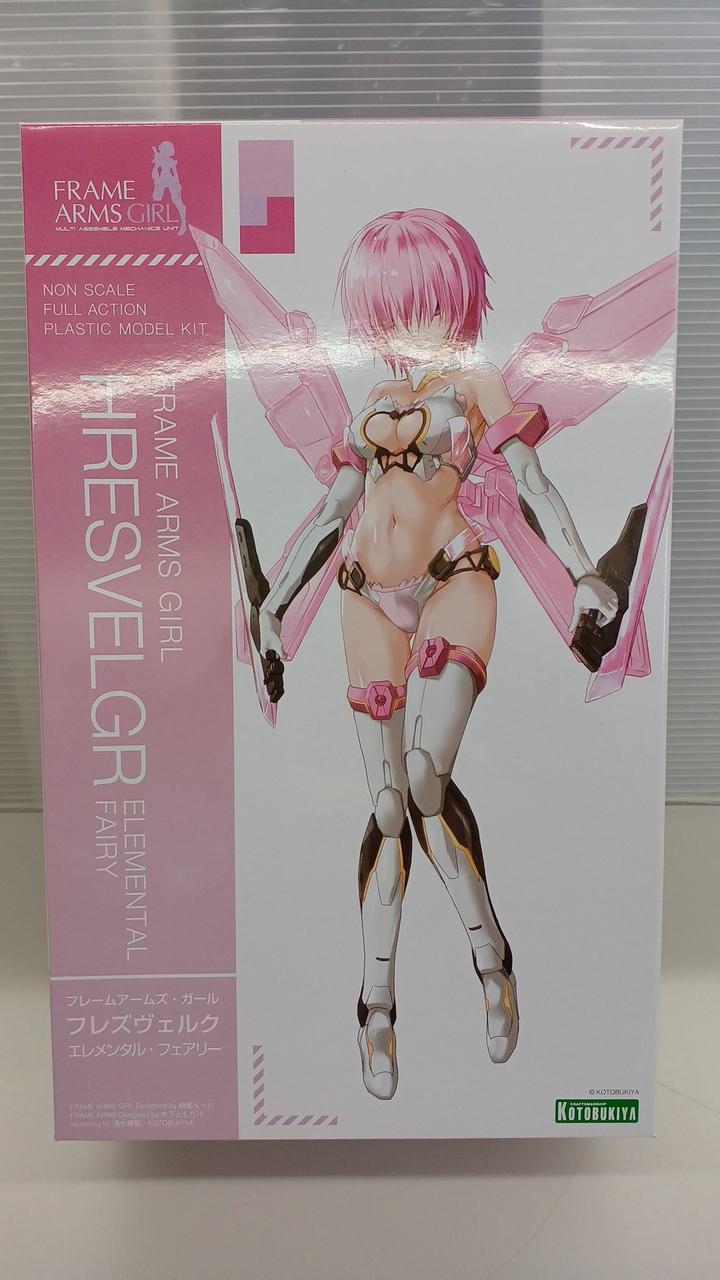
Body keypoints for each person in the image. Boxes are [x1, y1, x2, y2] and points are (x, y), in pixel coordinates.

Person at [255, 209, 618, 1100]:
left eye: (416, 301)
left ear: (451, 297)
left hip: (455, 577)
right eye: (386, 307)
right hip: (362, 595)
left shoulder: (479, 383)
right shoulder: (372, 402)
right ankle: (376, 1005)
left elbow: (531, 481)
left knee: (424, 778)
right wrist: (273, 602)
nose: (401, 323)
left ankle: (490, 957)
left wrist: (581, 570)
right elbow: (335, 510)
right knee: (387, 807)